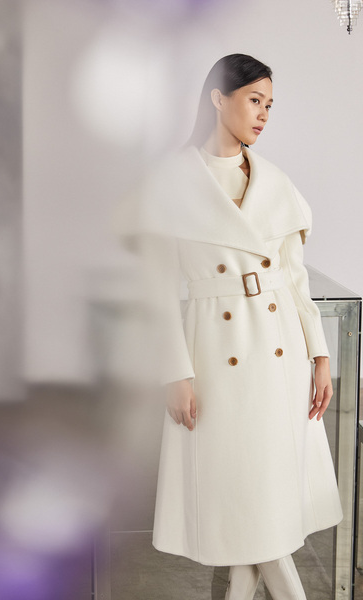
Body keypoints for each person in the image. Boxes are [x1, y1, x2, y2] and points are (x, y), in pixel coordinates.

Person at [116, 53, 343, 600]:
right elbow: (155, 291)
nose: (264, 114)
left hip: (281, 354)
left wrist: (320, 355)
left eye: (270, 105)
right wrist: (175, 372)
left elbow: (294, 280)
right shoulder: (171, 182)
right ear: (219, 97)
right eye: (254, 100)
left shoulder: (276, 183)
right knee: (245, 505)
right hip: (215, 357)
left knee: (261, 507)